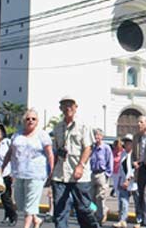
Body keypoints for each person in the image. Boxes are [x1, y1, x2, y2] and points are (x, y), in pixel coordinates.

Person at [50, 95, 100, 228]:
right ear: (60, 108)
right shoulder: (57, 127)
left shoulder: (83, 126)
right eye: (65, 105)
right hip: (60, 174)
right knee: (60, 211)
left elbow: (88, 147)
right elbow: (56, 150)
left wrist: (80, 166)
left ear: (76, 107)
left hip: (79, 175)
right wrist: (51, 172)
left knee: (83, 209)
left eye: (70, 105)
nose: (68, 108)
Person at [3, 108, 54, 228]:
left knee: (31, 203)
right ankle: (36, 220)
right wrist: (2, 167)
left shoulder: (42, 135)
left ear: (37, 121)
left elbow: (50, 153)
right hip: (19, 173)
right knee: (21, 203)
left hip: (36, 173)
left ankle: (26, 226)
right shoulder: (17, 134)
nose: (30, 121)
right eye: (28, 119)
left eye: (33, 119)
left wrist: (51, 170)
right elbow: (10, 153)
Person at [90, 128, 114, 224]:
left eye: (99, 135)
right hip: (92, 174)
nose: (97, 137)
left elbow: (110, 161)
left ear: (102, 137)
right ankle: (96, 213)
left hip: (102, 174)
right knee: (92, 198)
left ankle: (99, 217)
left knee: (100, 197)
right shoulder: (92, 148)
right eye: (95, 135)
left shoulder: (106, 148)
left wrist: (107, 174)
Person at [114, 134, 137, 228]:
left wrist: (128, 180)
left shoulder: (135, 155)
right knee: (123, 201)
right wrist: (120, 181)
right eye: (126, 142)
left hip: (134, 182)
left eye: (129, 142)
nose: (126, 144)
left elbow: (134, 169)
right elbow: (121, 169)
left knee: (138, 202)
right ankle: (123, 220)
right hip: (124, 182)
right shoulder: (123, 154)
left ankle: (139, 220)